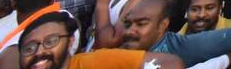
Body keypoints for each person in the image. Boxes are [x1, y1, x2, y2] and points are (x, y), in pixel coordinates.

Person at [15, 11, 184, 69]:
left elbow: (169, 63)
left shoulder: (95, 62)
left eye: (51, 41)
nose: (40, 52)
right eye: (29, 49)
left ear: (71, 41)